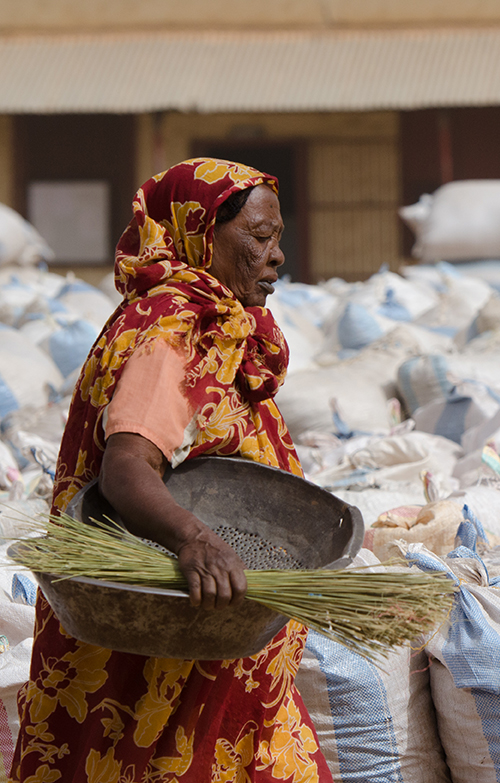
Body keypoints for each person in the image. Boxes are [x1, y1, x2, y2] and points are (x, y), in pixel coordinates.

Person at [9, 158, 331, 781]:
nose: (276, 257)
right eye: (258, 238)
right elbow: (127, 467)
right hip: (181, 638)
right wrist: (197, 542)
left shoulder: (214, 323)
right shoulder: (173, 330)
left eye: (277, 238)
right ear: (199, 234)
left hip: (218, 637)